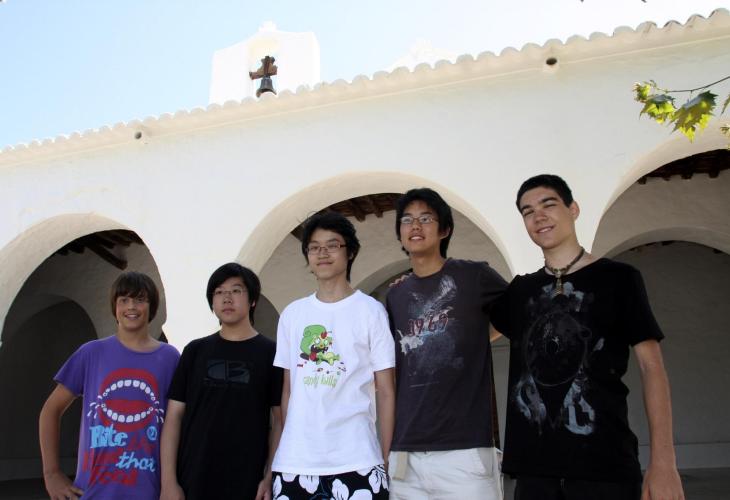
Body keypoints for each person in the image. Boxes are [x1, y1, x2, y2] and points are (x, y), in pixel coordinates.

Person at [490, 174, 685, 500]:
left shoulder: (619, 279)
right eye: (527, 211)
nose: (538, 216)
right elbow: (475, 332)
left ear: (574, 209)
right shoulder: (521, 291)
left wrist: (664, 462)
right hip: (534, 474)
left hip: (604, 467)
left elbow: (652, 367)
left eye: (548, 204)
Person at [386, 187, 507, 499]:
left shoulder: (474, 275)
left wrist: (476, 339)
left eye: (426, 218)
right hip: (407, 452)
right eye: (407, 219)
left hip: (465, 450)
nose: (415, 225)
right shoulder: (396, 294)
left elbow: (516, 314)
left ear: (445, 229)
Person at [271, 211, 395, 499]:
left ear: (350, 252)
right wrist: (293, 443)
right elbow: (288, 390)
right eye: (314, 247)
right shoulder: (293, 314)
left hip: (358, 458)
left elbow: (387, 391)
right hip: (295, 462)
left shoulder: (371, 311)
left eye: (332, 245)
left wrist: (387, 455)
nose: (322, 253)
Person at [39, 271, 180, 500]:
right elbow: (51, 410)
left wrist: (171, 484)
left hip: (150, 491)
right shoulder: (91, 353)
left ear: (152, 306)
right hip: (93, 491)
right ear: (115, 307)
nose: (131, 306)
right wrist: (51, 473)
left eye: (140, 299)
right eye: (124, 299)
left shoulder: (170, 357)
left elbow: (179, 421)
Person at [160, 263, 283, 500]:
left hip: (248, 480)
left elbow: (279, 420)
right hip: (193, 478)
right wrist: (168, 482)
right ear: (212, 302)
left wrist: (269, 476)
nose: (227, 298)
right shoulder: (195, 351)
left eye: (236, 290)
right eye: (219, 292)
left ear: (253, 300)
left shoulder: (271, 353)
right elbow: (174, 417)